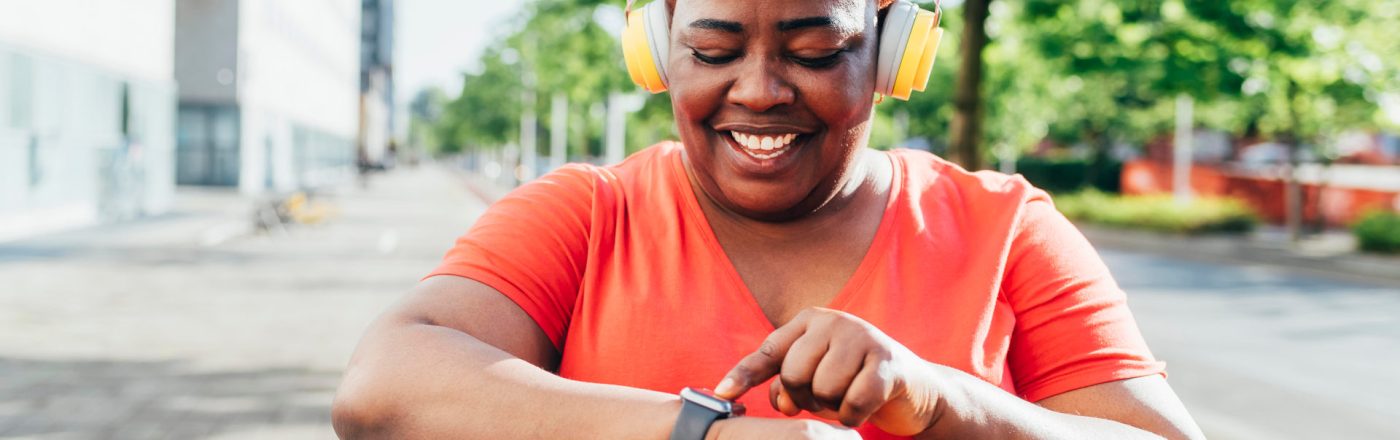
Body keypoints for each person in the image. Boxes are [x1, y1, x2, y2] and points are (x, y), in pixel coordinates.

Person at [331, 0, 1205, 438]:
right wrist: (703, 435)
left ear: (896, 51)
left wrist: (944, 403)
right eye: (712, 53)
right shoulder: (586, 214)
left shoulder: (1006, 227)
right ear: (656, 47)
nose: (757, 90)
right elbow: (383, 386)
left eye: (816, 52)